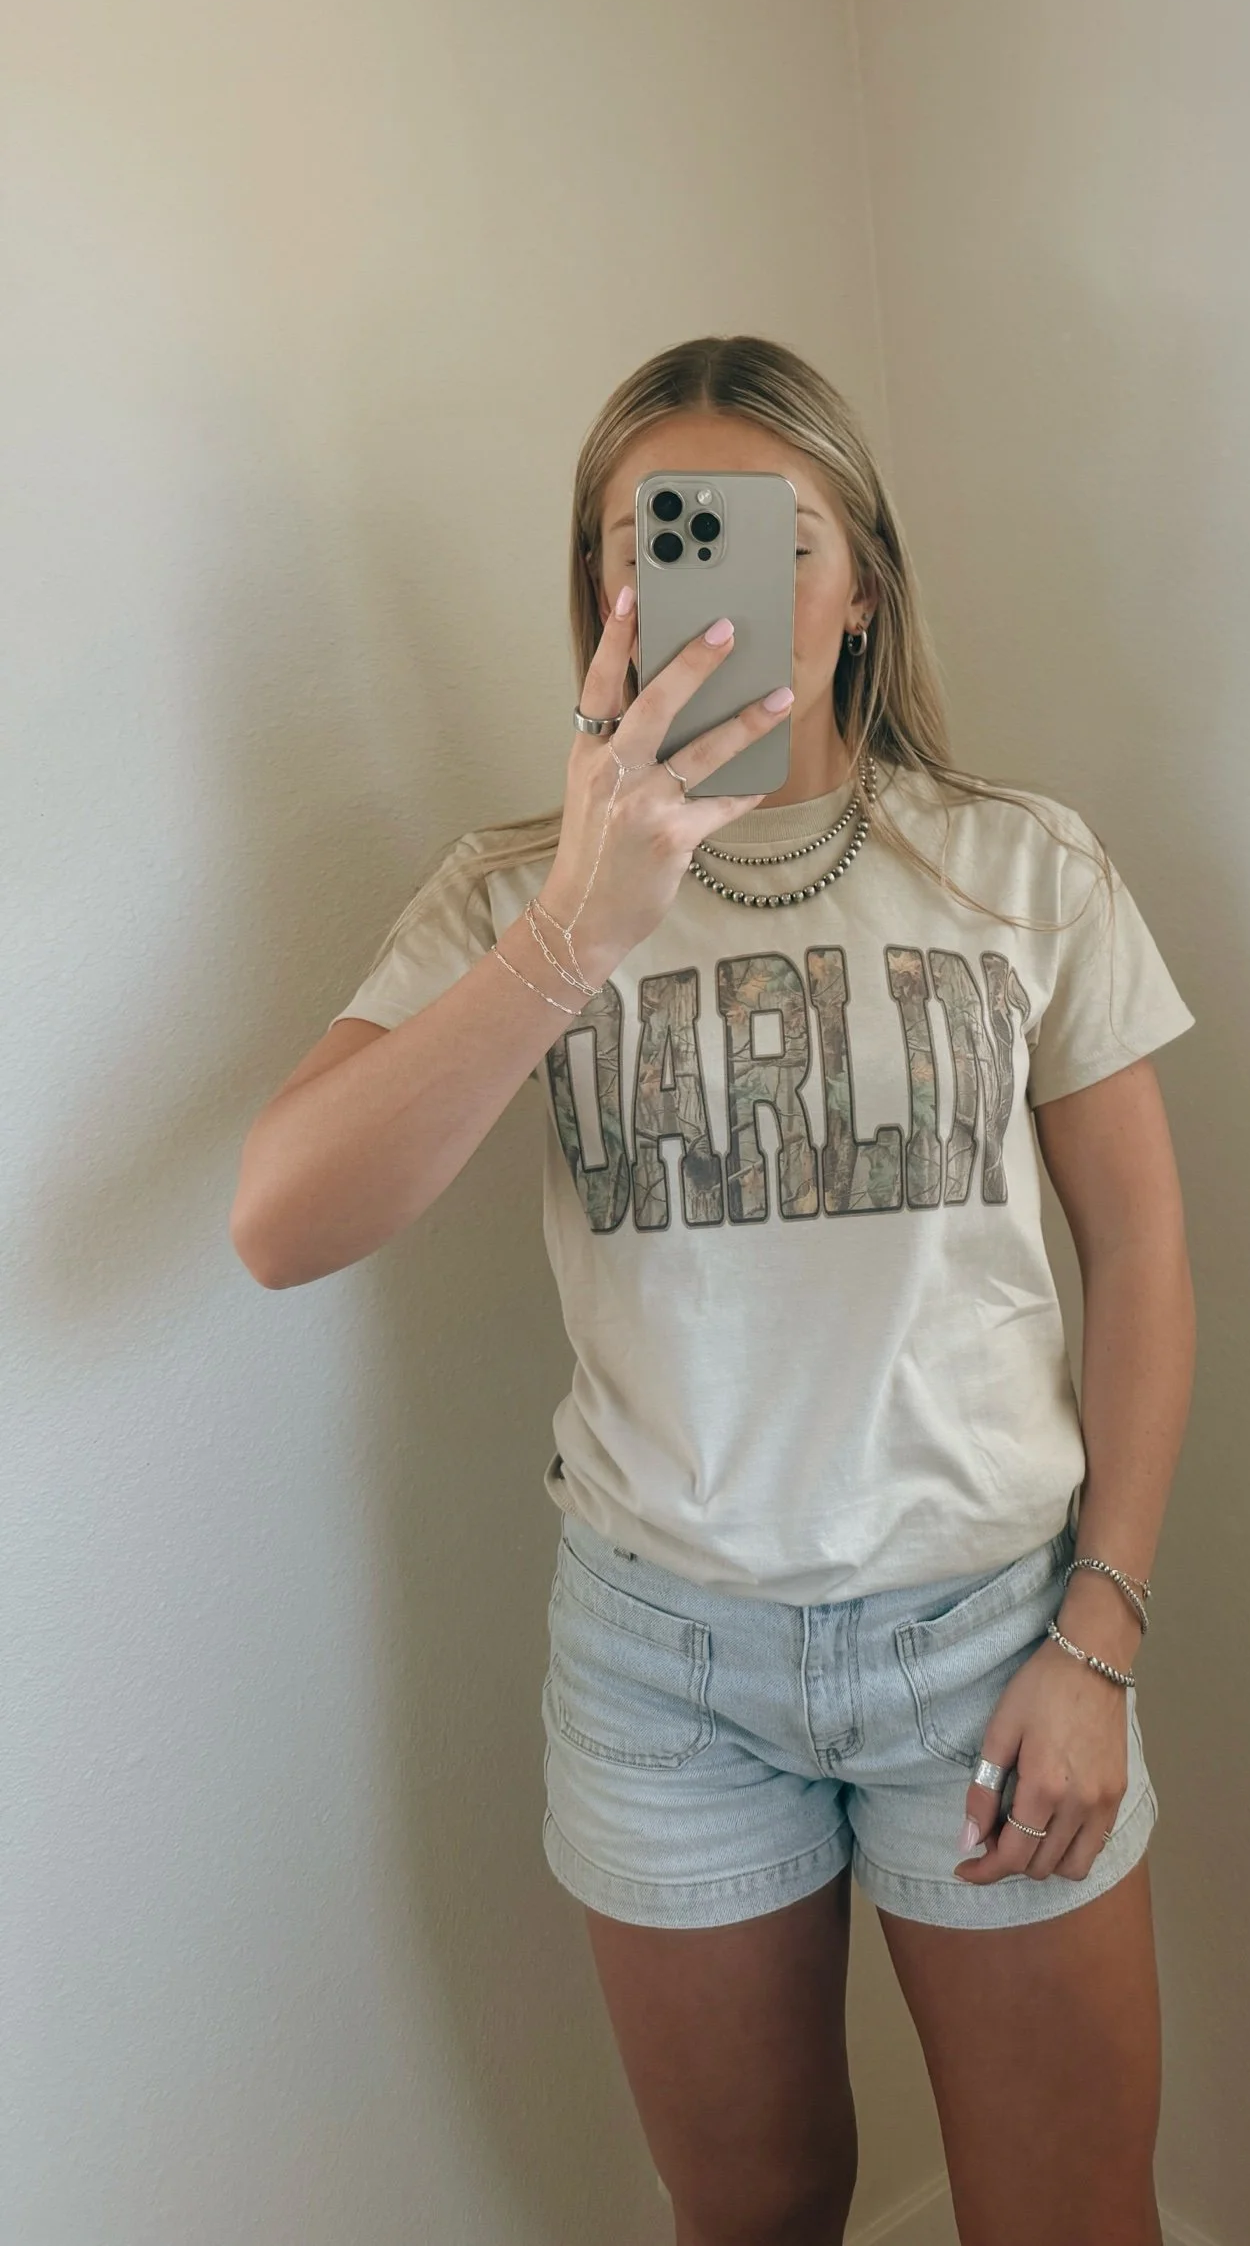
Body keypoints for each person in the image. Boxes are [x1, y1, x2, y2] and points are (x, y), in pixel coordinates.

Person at [231, 334, 1196, 2246]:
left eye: (772, 538)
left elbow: (1145, 1251)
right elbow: (285, 1219)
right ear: (600, 600)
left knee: (1070, 2215)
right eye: (651, 543)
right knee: (749, 2212)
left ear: (860, 592)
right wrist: (581, 922)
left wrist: (1098, 1635)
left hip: (991, 1639)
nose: (707, 588)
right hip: (660, 1667)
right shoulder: (512, 894)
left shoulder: (1018, 867)